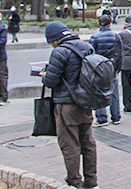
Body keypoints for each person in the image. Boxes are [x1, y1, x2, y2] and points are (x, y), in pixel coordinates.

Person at [41, 21, 98, 189]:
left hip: (67, 105)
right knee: (88, 143)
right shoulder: (86, 47)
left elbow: (51, 82)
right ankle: (92, 182)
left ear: (54, 39)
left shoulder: (60, 52)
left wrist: (44, 75)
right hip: (86, 102)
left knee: (70, 145)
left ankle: (74, 182)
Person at [89, 15, 122, 126]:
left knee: (99, 93)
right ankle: (116, 116)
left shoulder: (95, 37)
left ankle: (102, 118)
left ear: (99, 24)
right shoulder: (116, 37)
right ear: (110, 23)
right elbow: (120, 54)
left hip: (100, 68)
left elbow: (91, 55)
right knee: (114, 93)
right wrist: (118, 68)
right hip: (112, 68)